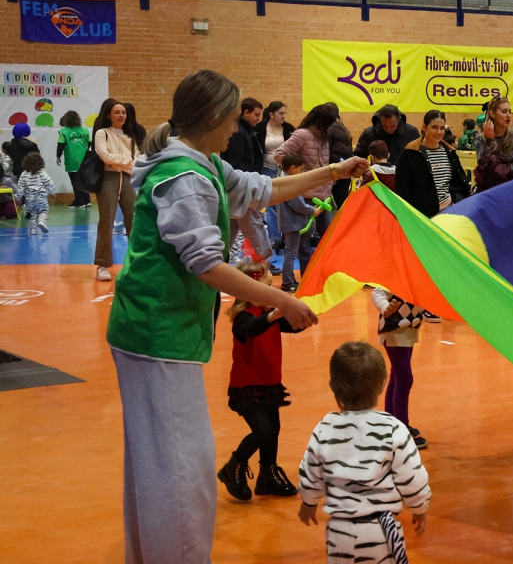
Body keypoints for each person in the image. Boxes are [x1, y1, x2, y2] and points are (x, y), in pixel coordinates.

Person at [108, 69, 366, 564]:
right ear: (211, 118)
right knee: (181, 470)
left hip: (155, 331)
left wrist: (335, 172)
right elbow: (206, 264)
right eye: (231, 119)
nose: (236, 128)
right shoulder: (187, 179)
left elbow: (264, 189)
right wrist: (281, 300)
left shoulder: (202, 162)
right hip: (157, 333)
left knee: (157, 461)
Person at [298, 342, 431, 564]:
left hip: (339, 533)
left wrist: (308, 502)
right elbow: (412, 475)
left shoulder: (325, 427)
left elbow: (311, 471)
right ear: (382, 385)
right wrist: (419, 506)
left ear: (332, 385)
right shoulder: (392, 428)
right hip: (379, 532)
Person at [217, 260, 302, 502]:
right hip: (247, 386)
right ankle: (233, 466)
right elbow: (252, 329)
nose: (272, 292)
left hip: (269, 383)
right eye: (267, 286)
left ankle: (267, 473)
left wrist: (305, 313)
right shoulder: (244, 318)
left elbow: (294, 326)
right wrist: (274, 314)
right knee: (262, 430)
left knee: (273, 429)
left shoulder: (268, 314)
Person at [274, 103, 339, 244]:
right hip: (307, 194)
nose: (330, 126)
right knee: (304, 238)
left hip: (325, 194)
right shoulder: (302, 135)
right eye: (329, 123)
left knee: (328, 236)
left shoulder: (325, 137)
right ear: (321, 121)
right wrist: (299, 174)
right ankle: (304, 260)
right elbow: (279, 155)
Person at [372, 288, 429, 448]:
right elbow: (378, 292)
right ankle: (401, 428)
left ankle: (390, 422)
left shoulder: (421, 277)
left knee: (397, 376)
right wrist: (385, 307)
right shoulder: (399, 277)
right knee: (404, 379)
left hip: (408, 330)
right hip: (394, 332)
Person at [93, 100, 142, 281]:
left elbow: (136, 160)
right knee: (106, 222)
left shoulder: (130, 137)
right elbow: (105, 156)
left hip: (128, 179)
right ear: (109, 115)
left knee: (134, 221)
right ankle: (102, 265)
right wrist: (125, 160)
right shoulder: (102, 133)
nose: (121, 115)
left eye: (123, 112)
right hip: (108, 179)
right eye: (117, 112)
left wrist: (120, 162)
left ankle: (138, 262)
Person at [395, 110, 471, 217]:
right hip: (422, 215)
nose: (439, 132)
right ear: (424, 127)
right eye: (434, 127)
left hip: (449, 211)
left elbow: (459, 182)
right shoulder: (409, 153)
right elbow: (402, 189)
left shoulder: (450, 152)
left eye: (442, 128)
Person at [222, 98, 270, 263]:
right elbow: (236, 164)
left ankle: (223, 259)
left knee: (232, 230)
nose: (259, 118)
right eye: (256, 114)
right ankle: (263, 261)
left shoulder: (247, 132)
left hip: (241, 187)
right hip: (241, 189)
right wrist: (245, 189)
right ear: (246, 113)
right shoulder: (239, 133)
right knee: (253, 227)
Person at [276, 154, 319, 293]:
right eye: (301, 170)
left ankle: (290, 280)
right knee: (291, 253)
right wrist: (312, 210)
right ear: (293, 168)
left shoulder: (283, 180)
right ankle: (287, 282)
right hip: (292, 223)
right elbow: (297, 205)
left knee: (290, 252)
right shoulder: (288, 183)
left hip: (291, 222)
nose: (302, 173)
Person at [255, 101, 293, 251]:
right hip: (266, 170)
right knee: (270, 205)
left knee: (286, 204)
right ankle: (274, 239)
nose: (283, 116)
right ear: (271, 114)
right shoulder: (259, 130)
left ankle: (286, 238)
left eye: (284, 113)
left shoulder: (289, 129)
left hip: (284, 171)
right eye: (280, 113)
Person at [474, 96, 513, 192]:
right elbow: (482, 165)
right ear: (492, 114)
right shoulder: (480, 138)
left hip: (510, 187)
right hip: (488, 189)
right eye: (504, 112)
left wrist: (505, 168)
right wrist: (490, 140)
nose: (508, 115)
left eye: (509, 112)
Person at [353, 104, 419, 164]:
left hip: (403, 173)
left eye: (392, 126)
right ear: (380, 120)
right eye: (384, 125)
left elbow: (418, 157)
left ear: (399, 119)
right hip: (376, 173)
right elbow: (358, 156)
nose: (388, 129)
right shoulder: (369, 133)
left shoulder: (411, 133)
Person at [56, 111, 92, 207]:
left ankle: (80, 201)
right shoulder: (85, 130)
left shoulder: (64, 131)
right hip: (85, 159)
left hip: (72, 159)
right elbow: (90, 143)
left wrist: (58, 156)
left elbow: (60, 145)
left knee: (75, 181)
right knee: (84, 181)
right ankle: (87, 200)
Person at [15, 152, 53, 235]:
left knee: (31, 214)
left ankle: (33, 230)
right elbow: (49, 184)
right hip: (41, 198)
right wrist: (52, 192)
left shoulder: (24, 174)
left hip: (30, 199)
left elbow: (20, 187)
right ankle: (41, 221)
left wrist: (19, 197)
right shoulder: (42, 173)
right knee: (44, 210)